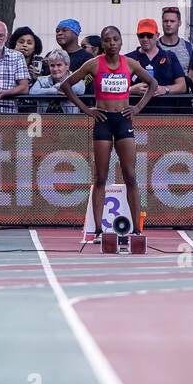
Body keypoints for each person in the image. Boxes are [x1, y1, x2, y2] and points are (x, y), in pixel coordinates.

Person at [61, 25, 158, 242]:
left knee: (130, 175)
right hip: (103, 120)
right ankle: (97, 231)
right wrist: (86, 109)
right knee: (101, 176)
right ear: (102, 44)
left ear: (121, 42)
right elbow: (66, 85)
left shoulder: (130, 64)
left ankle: (136, 230)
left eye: (115, 39)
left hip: (123, 120)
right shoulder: (94, 64)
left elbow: (152, 83)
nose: (112, 43)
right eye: (107, 40)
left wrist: (138, 107)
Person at [127, 17, 186, 113]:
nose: (145, 39)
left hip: (165, 115)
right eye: (142, 36)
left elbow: (182, 86)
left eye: (149, 35)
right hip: (136, 114)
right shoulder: (128, 59)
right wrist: (131, 90)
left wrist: (165, 89)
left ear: (157, 35)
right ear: (137, 36)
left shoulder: (169, 57)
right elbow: (116, 86)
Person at [28, 49, 85, 113]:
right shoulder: (42, 80)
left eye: (59, 65)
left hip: (70, 120)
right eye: (52, 65)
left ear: (67, 66)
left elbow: (80, 90)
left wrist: (60, 85)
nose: (55, 69)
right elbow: (32, 92)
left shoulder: (75, 78)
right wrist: (54, 91)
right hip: (45, 120)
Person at [157, 6, 193, 71]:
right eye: (165, 21)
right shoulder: (155, 46)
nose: (168, 24)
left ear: (179, 23)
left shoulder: (188, 47)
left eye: (172, 21)